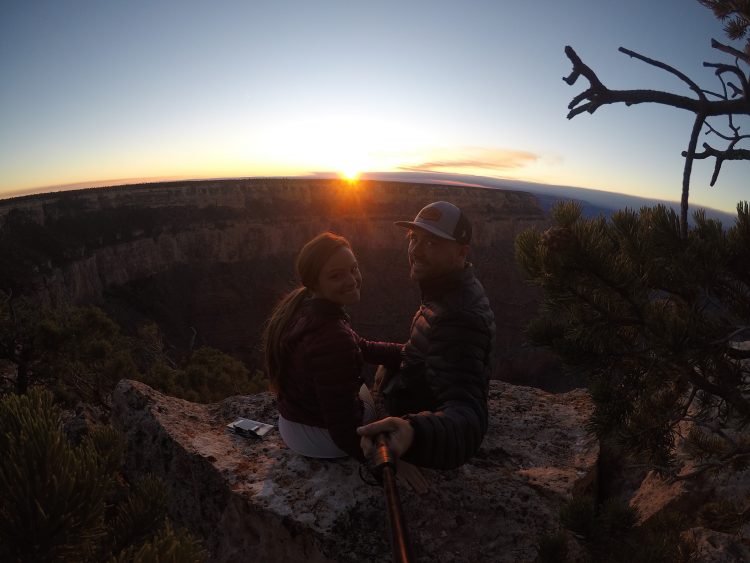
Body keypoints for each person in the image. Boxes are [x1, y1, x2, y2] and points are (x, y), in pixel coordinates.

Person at [357, 201, 496, 470]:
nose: (415, 251)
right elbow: (425, 355)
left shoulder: (458, 317)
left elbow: (469, 414)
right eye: (414, 238)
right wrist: (361, 347)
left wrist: (414, 434)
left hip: (415, 419)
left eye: (432, 243)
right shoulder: (447, 291)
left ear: (461, 252)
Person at [262, 231, 403, 461]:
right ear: (315, 283)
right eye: (336, 276)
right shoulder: (332, 337)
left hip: (292, 423)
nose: (351, 280)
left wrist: (409, 351)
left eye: (354, 268)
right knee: (380, 390)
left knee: (374, 376)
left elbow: (362, 346)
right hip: (320, 439)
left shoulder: (306, 308)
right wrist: (383, 460)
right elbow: (344, 430)